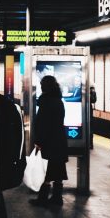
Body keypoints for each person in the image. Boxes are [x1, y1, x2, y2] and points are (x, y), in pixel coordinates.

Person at [30, 75, 68, 207]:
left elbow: (43, 124)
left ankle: (42, 198)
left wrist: (39, 141)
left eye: (42, 85)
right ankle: (57, 198)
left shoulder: (45, 101)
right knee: (58, 169)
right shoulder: (59, 100)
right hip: (59, 139)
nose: (41, 87)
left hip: (48, 141)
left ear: (45, 86)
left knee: (46, 170)